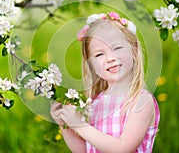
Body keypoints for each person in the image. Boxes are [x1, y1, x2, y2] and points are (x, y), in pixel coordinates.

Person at [50, 12, 160, 153]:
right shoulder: (95, 103)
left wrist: (80, 126)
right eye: (99, 54)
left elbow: (123, 148)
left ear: (133, 50)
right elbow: (85, 150)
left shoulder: (141, 102)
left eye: (117, 48)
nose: (111, 58)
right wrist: (64, 125)